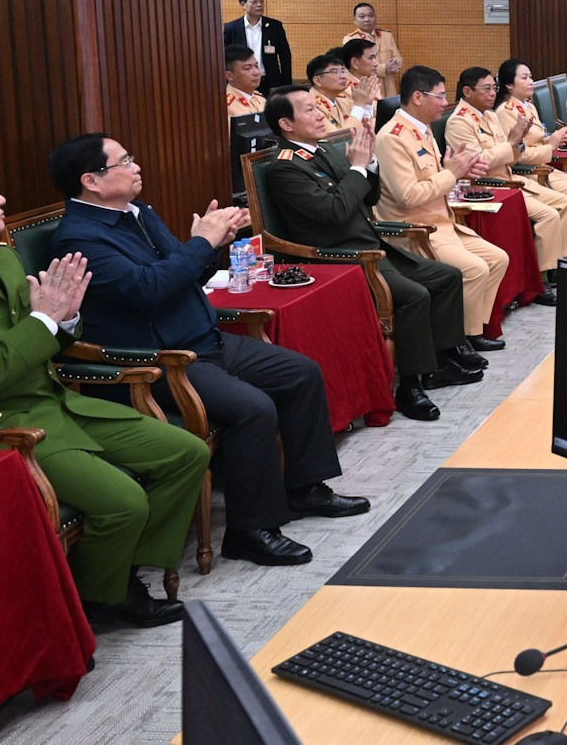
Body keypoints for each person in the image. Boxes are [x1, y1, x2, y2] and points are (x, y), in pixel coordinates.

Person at [0, 147, 208, 627]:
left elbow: (49, 336)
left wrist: (67, 317)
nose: (1, 198)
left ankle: (116, 571)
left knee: (187, 453)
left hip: (54, 400)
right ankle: (105, 596)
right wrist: (43, 319)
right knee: (124, 502)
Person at [49, 134, 368, 568]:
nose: (136, 165)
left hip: (203, 338)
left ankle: (305, 489)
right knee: (253, 408)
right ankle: (250, 531)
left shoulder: (136, 211)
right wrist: (200, 243)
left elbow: (182, 272)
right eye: (125, 160)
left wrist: (210, 244)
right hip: (159, 360)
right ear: (92, 180)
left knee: (300, 372)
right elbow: (148, 290)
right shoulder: (80, 238)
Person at [264, 88, 482, 421]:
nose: (321, 114)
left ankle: (438, 362)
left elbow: (367, 197)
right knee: (413, 296)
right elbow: (335, 213)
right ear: (286, 124)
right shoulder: (285, 168)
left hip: (371, 245)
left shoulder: (323, 150)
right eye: (309, 110)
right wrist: (356, 169)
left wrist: (371, 162)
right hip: (341, 259)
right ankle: (410, 386)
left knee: (447, 276)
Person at [375, 66, 511, 346]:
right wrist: (452, 174)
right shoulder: (392, 137)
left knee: (498, 258)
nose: (444, 103)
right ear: (417, 97)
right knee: (475, 269)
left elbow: (438, 177)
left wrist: (458, 172)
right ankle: (459, 341)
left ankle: (472, 330)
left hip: (443, 222)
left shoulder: (422, 130)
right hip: (415, 230)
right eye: (438, 96)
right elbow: (408, 196)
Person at [453, 64, 567, 282]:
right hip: (489, 186)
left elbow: (511, 154)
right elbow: (477, 163)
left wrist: (517, 144)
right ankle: (544, 276)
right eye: (486, 89)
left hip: (510, 178)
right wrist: (516, 145)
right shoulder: (460, 121)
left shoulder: (490, 116)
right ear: (467, 91)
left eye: (493, 88)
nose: (493, 93)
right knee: (550, 214)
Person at [223, 0, 291, 91]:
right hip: (240, 83)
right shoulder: (231, 28)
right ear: (243, 5)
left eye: (261, 1)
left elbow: (285, 56)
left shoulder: (274, 26)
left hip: (270, 83)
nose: (259, 5)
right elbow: (224, 58)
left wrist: (286, 85)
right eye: (254, 2)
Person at [344, 2, 405, 98]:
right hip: (368, 88)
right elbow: (356, 68)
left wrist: (396, 63)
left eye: (370, 15)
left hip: (390, 87)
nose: (367, 19)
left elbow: (398, 57)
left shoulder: (387, 35)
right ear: (355, 21)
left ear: (375, 17)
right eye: (362, 16)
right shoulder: (350, 39)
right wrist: (384, 68)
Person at [307, 51, 354, 132]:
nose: (343, 76)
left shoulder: (341, 99)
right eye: (334, 72)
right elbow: (336, 138)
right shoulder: (312, 106)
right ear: (317, 80)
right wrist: (360, 105)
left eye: (343, 71)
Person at [340, 35, 383, 124]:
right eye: (371, 58)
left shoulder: (372, 83)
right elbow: (355, 124)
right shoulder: (343, 89)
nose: (376, 63)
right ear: (355, 63)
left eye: (375, 57)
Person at [225, 44, 265, 119]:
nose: (256, 72)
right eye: (247, 68)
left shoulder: (261, 99)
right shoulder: (225, 106)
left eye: (256, 66)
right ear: (229, 75)